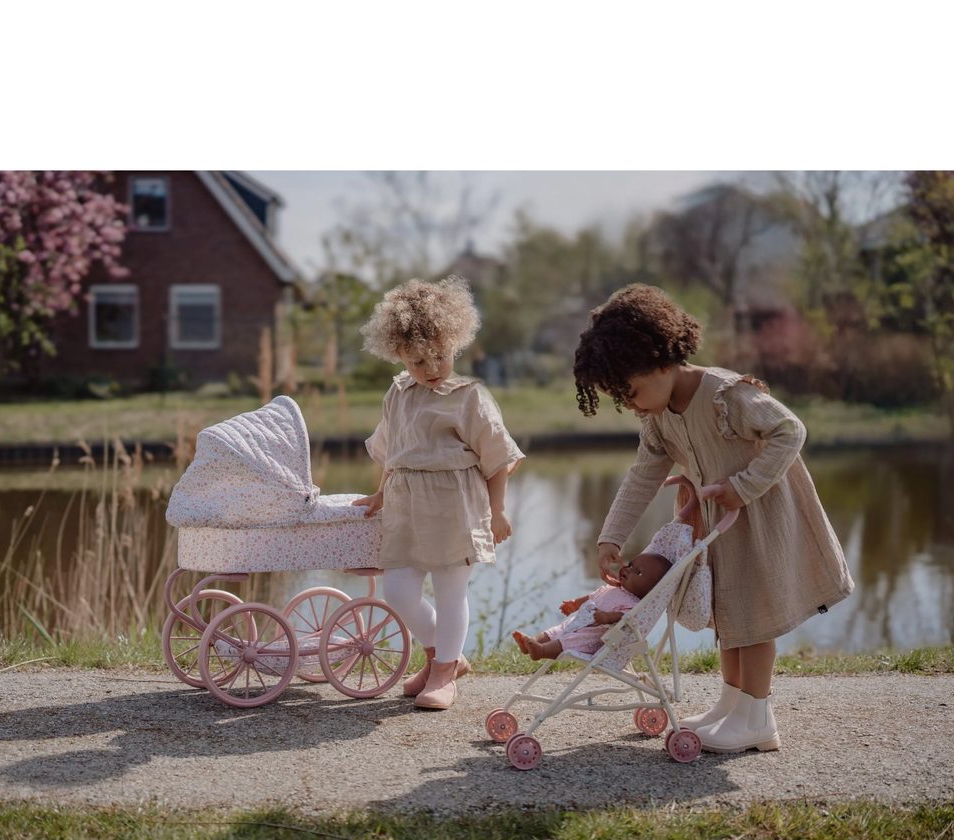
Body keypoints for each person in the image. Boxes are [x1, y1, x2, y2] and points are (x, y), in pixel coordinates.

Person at [573, 283, 854, 753]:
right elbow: (643, 475)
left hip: (759, 518)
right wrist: (610, 538)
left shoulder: (727, 394)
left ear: (661, 361)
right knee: (729, 614)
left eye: (633, 392)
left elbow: (790, 430)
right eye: (623, 399)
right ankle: (732, 705)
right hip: (717, 526)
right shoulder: (658, 415)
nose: (633, 405)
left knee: (754, 618)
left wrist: (743, 486)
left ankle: (757, 718)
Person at [353, 276, 524, 710]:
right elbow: (393, 451)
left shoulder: (469, 397)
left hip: (455, 505)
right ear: (398, 354)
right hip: (406, 504)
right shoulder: (398, 393)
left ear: (455, 345)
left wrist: (497, 511)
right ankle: (441, 656)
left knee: (450, 591)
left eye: (440, 357)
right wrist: (380, 495)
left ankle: (444, 671)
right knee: (399, 591)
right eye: (418, 361)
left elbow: (498, 458)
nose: (431, 369)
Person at [513, 551, 671, 660]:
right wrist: (575, 603)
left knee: (570, 641)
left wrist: (607, 617)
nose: (628, 570)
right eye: (630, 565)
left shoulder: (633, 604)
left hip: (592, 636)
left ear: (651, 589)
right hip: (578, 623)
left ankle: (541, 651)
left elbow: (625, 617)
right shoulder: (614, 588)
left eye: (638, 572)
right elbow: (592, 596)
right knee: (555, 631)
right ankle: (532, 642)